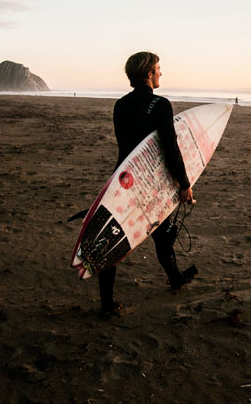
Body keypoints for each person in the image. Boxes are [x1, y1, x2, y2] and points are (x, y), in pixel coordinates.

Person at [97, 51, 198, 319]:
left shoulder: (120, 105)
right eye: (158, 69)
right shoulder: (161, 105)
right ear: (149, 74)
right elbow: (170, 148)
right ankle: (174, 278)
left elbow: (127, 146)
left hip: (122, 179)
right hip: (149, 182)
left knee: (114, 237)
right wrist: (184, 184)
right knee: (161, 230)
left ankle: (108, 303)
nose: (161, 73)